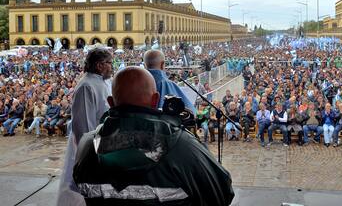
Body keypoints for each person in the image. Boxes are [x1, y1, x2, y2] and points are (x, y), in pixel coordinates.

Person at [73, 66, 234, 205]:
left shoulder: (86, 145)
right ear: (155, 99)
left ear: (111, 102)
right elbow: (222, 192)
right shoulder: (181, 145)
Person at [56, 47, 113, 206]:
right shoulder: (86, 86)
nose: (112, 66)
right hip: (90, 148)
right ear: (99, 65)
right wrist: (93, 152)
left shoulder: (101, 82)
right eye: (109, 62)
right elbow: (84, 127)